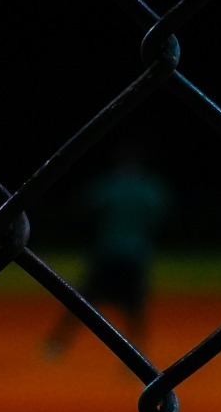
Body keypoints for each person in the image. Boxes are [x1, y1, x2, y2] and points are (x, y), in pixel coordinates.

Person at [44, 151, 170, 357]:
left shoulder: (109, 185)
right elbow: (161, 215)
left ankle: (57, 344)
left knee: (82, 302)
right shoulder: (149, 187)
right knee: (134, 305)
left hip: (108, 250)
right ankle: (137, 355)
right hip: (135, 253)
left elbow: (84, 207)